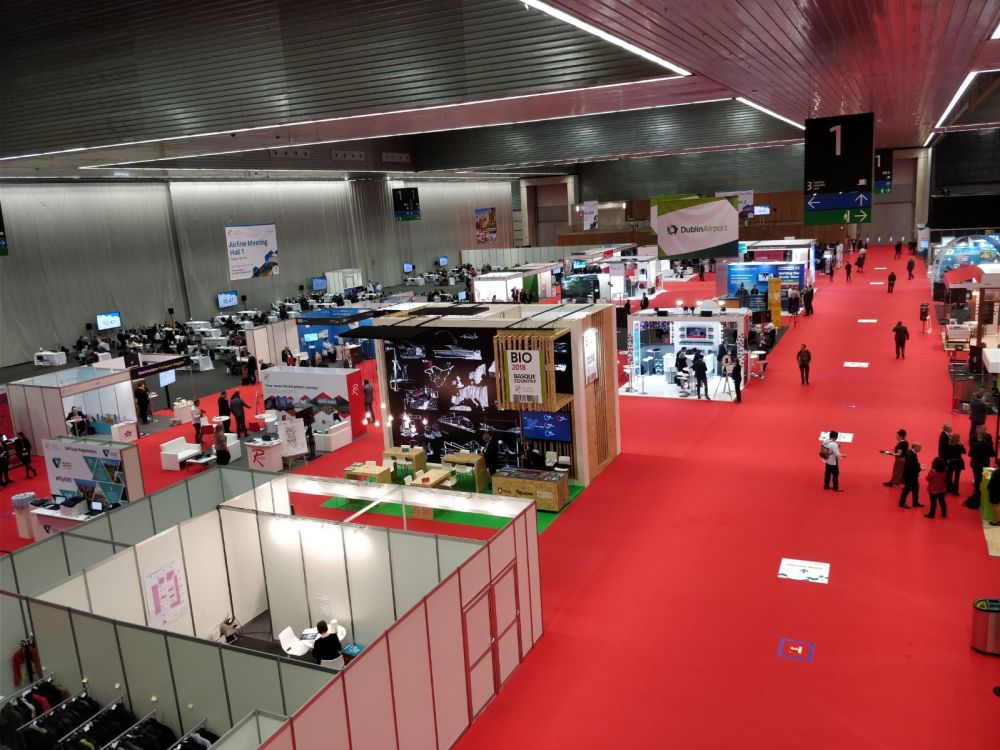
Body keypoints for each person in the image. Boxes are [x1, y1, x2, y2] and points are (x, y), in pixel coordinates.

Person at [967, 424, 994, 507]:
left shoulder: (975, 444)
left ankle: (977, 492)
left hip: (976, 463)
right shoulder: (988, 444)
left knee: (977, 476)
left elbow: (970, 454)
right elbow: (992, 454)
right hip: (985, 463)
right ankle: (983, 490)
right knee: (985, 476)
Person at [899, 442, 923, 509]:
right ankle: (902, 502)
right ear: (915, 447)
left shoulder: (911, 452)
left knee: (915, 488)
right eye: (919, 448)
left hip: (912, 475)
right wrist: (920, 468)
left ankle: (915, 502)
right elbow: (911, 466)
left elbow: (914, 463)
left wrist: (919, 465)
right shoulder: (911, 454)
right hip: (910, 475)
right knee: (907, 489)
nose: (920, 449)